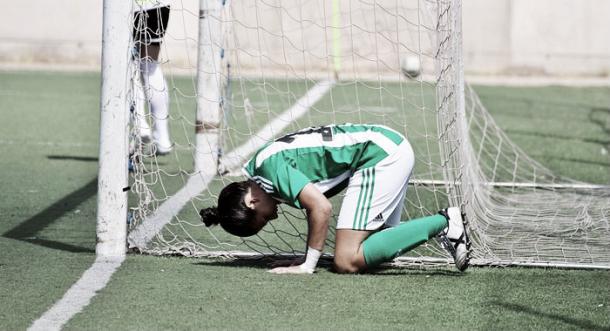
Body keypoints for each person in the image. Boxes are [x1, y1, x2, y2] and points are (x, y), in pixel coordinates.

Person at [200, 124, 470, 274]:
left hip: (378, 157)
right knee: (369, 253)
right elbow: (312, 206)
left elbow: (320, 207)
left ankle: (444, 222)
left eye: (264, 219)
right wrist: (306, 256)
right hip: (385, 148)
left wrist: (308, 265)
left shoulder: (269, 171)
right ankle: (444, 224)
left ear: (252, 203)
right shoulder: (262, 170)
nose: (273, 217)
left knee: (346, 260)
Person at [132, 0, 172, 155]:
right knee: (150, 64)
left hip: (128, 7)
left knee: (129, 64)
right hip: (158, 5)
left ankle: (140, 124)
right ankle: (162, 137)